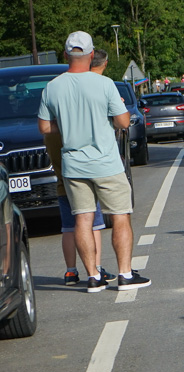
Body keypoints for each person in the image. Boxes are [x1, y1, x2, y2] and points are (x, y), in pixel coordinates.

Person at [37, 31, 150, 293]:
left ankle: (92, 277)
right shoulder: (104, 84)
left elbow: (44, 127)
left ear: (66, 55)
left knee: (82, 220)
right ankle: (124, 274)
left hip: (73, 165)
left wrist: (67, 122)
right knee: (120, 217)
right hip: (105, 162)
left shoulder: (52, 87)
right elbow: (123, 121)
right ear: (90, 55)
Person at [44, 49, 116, 286]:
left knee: (68, 227)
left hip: (63, 179)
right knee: (92, 224)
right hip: (84, 174)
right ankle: (94, 269)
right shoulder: (77, 120)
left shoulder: (53, 126)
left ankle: (70, 270)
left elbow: (49, 140)